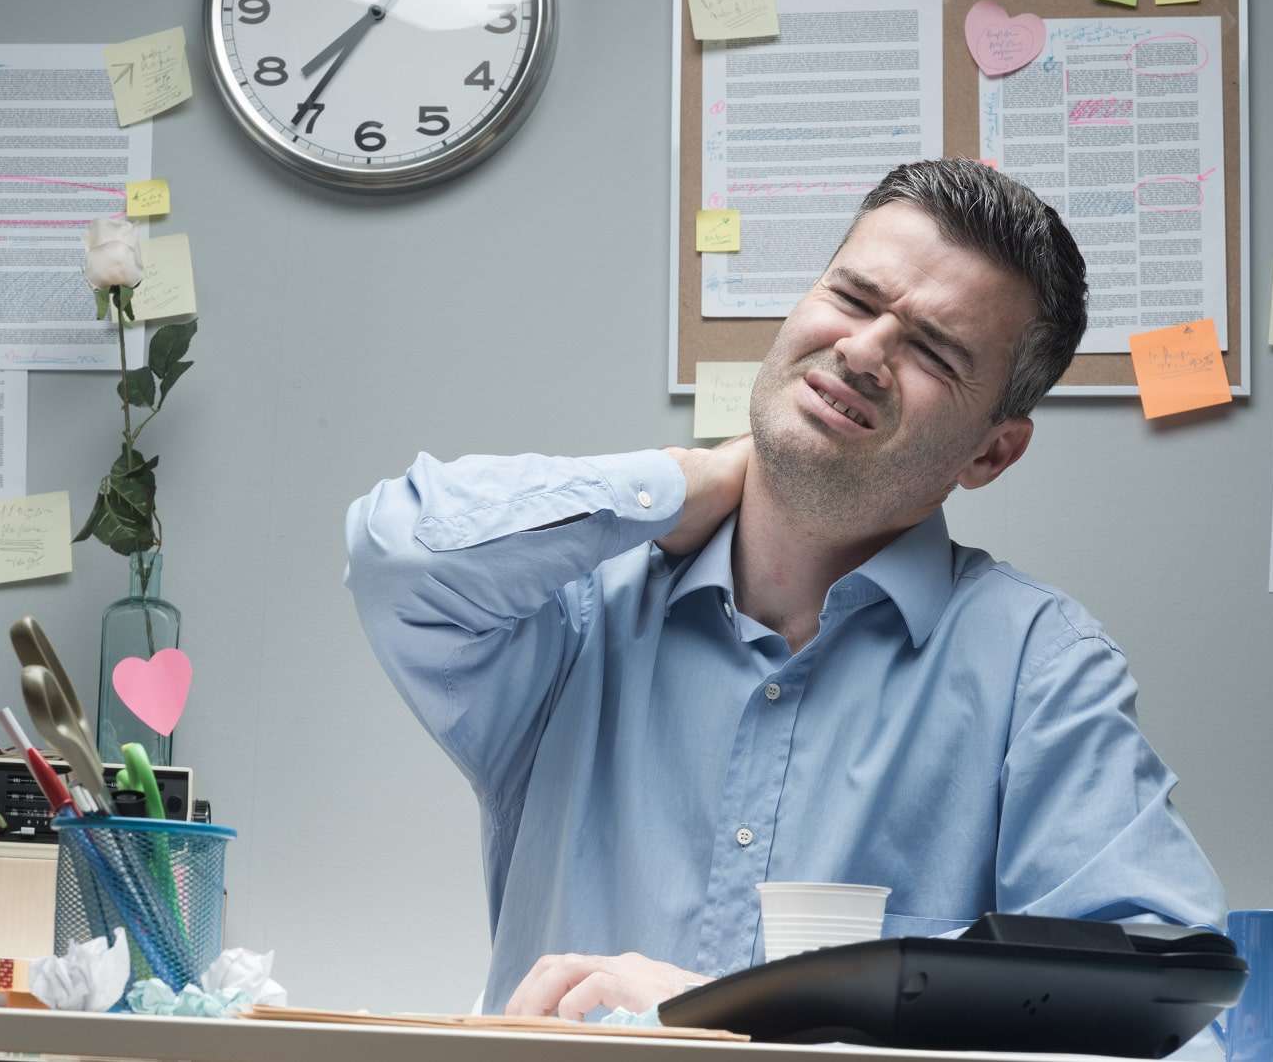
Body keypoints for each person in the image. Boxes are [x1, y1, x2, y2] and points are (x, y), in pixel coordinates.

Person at [343, 159, 1225, 1021]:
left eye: (932, 350)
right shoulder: (574, 616)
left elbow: (1156, 1004)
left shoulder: (1042, 673)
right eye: (852, 298)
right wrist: (680, 483)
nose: (865, 350)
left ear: (991, 453)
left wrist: (763, 1011)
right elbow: (399, 559)